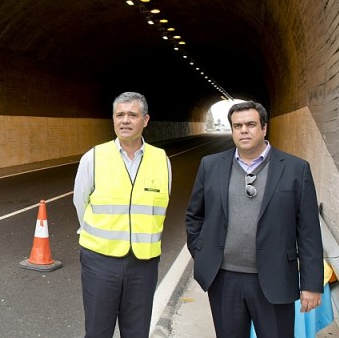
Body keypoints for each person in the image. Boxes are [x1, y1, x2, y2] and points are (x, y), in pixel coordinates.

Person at [185, 101, 324, 337]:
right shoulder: (210, 165)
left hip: (275, 279)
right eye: (237, 126)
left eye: (250, 124)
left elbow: (309, 230)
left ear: (264, 128)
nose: (243, 130)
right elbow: (194, 216)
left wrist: (311, 284)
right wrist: (203, 253)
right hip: (224, 279)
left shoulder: (294, 169)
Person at [73, 91, 172, 338]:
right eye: (120, 115)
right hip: (100, 261)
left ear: (146, 120)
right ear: (113, 119)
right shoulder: (93, 157)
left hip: (144, 263)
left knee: (137, 332)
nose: (125, 120)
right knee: (97, 331)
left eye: (132, 115)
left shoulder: (162, 160)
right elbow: (80, 203)